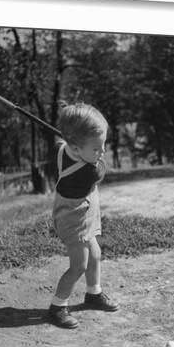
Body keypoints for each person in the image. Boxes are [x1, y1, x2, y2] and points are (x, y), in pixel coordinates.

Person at [49, 103, 119, 329]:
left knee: (95, 255)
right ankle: (58, 306)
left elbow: (57, 141)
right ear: (76, 149)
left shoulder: (63, 149)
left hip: (83, 213)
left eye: (103, 145)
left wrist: (67, 120)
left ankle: (93, 293)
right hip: (74, 219)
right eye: (97, 149)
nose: (102, 153)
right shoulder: (89, 171)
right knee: (79, 265)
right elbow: (102, 170)